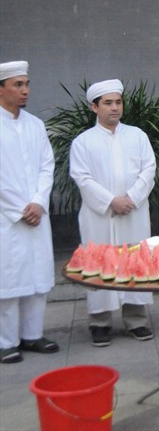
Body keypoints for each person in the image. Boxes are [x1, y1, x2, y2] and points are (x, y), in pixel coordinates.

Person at [70, 79, 156, 347]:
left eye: (118, 102)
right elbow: (81, 177)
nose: (115, 108)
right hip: (100, 215)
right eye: (108, 103)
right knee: (100, 263)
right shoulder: (83, 142)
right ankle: (100, 322)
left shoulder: (137, 136)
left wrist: (131, 198)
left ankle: (136, 320)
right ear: (94, 107)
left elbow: (149, 169)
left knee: (135, 261)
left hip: (133, 211)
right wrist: (110, 201)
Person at [0, 61, 59, 364]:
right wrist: (18, 209)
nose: (25, 91)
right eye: (17, 85)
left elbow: (46, 166)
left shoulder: (35, 125)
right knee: (8, 278)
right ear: (1, 89)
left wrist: (38, 201)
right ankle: (5, 340)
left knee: (36, 275)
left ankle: (32, 334)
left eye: (26, 84)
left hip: (37, 213)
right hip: (5, 218)